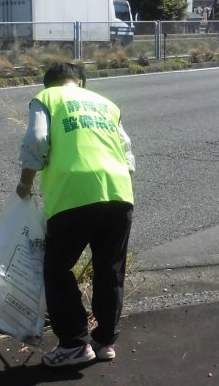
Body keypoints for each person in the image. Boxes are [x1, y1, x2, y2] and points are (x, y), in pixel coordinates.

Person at [16, 62, 135, 367]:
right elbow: (126, 150)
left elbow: (37, 140)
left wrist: (25, 182)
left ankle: (74, 344)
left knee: (56, 269)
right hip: (119, 190)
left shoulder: (47, 98)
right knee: (110, 269)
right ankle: (106, 341)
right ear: (80, 82)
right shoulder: (107, 103)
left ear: (48, 84)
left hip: (74, 192)